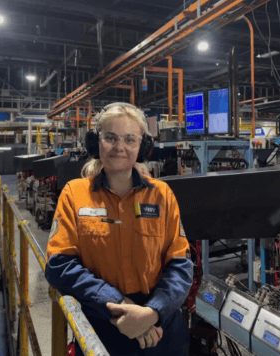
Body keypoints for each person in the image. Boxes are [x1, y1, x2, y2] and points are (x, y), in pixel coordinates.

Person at [45, 102, 193, 356]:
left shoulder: (162, 195)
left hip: (161, 332)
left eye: (129, 139)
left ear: (142, 147)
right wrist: (121, 306)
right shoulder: (74, 194)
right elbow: (59, 265)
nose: (120, 147)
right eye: (110, 138)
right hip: (102, 326)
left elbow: (180, 264)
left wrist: (152, 313)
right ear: (95, 142)